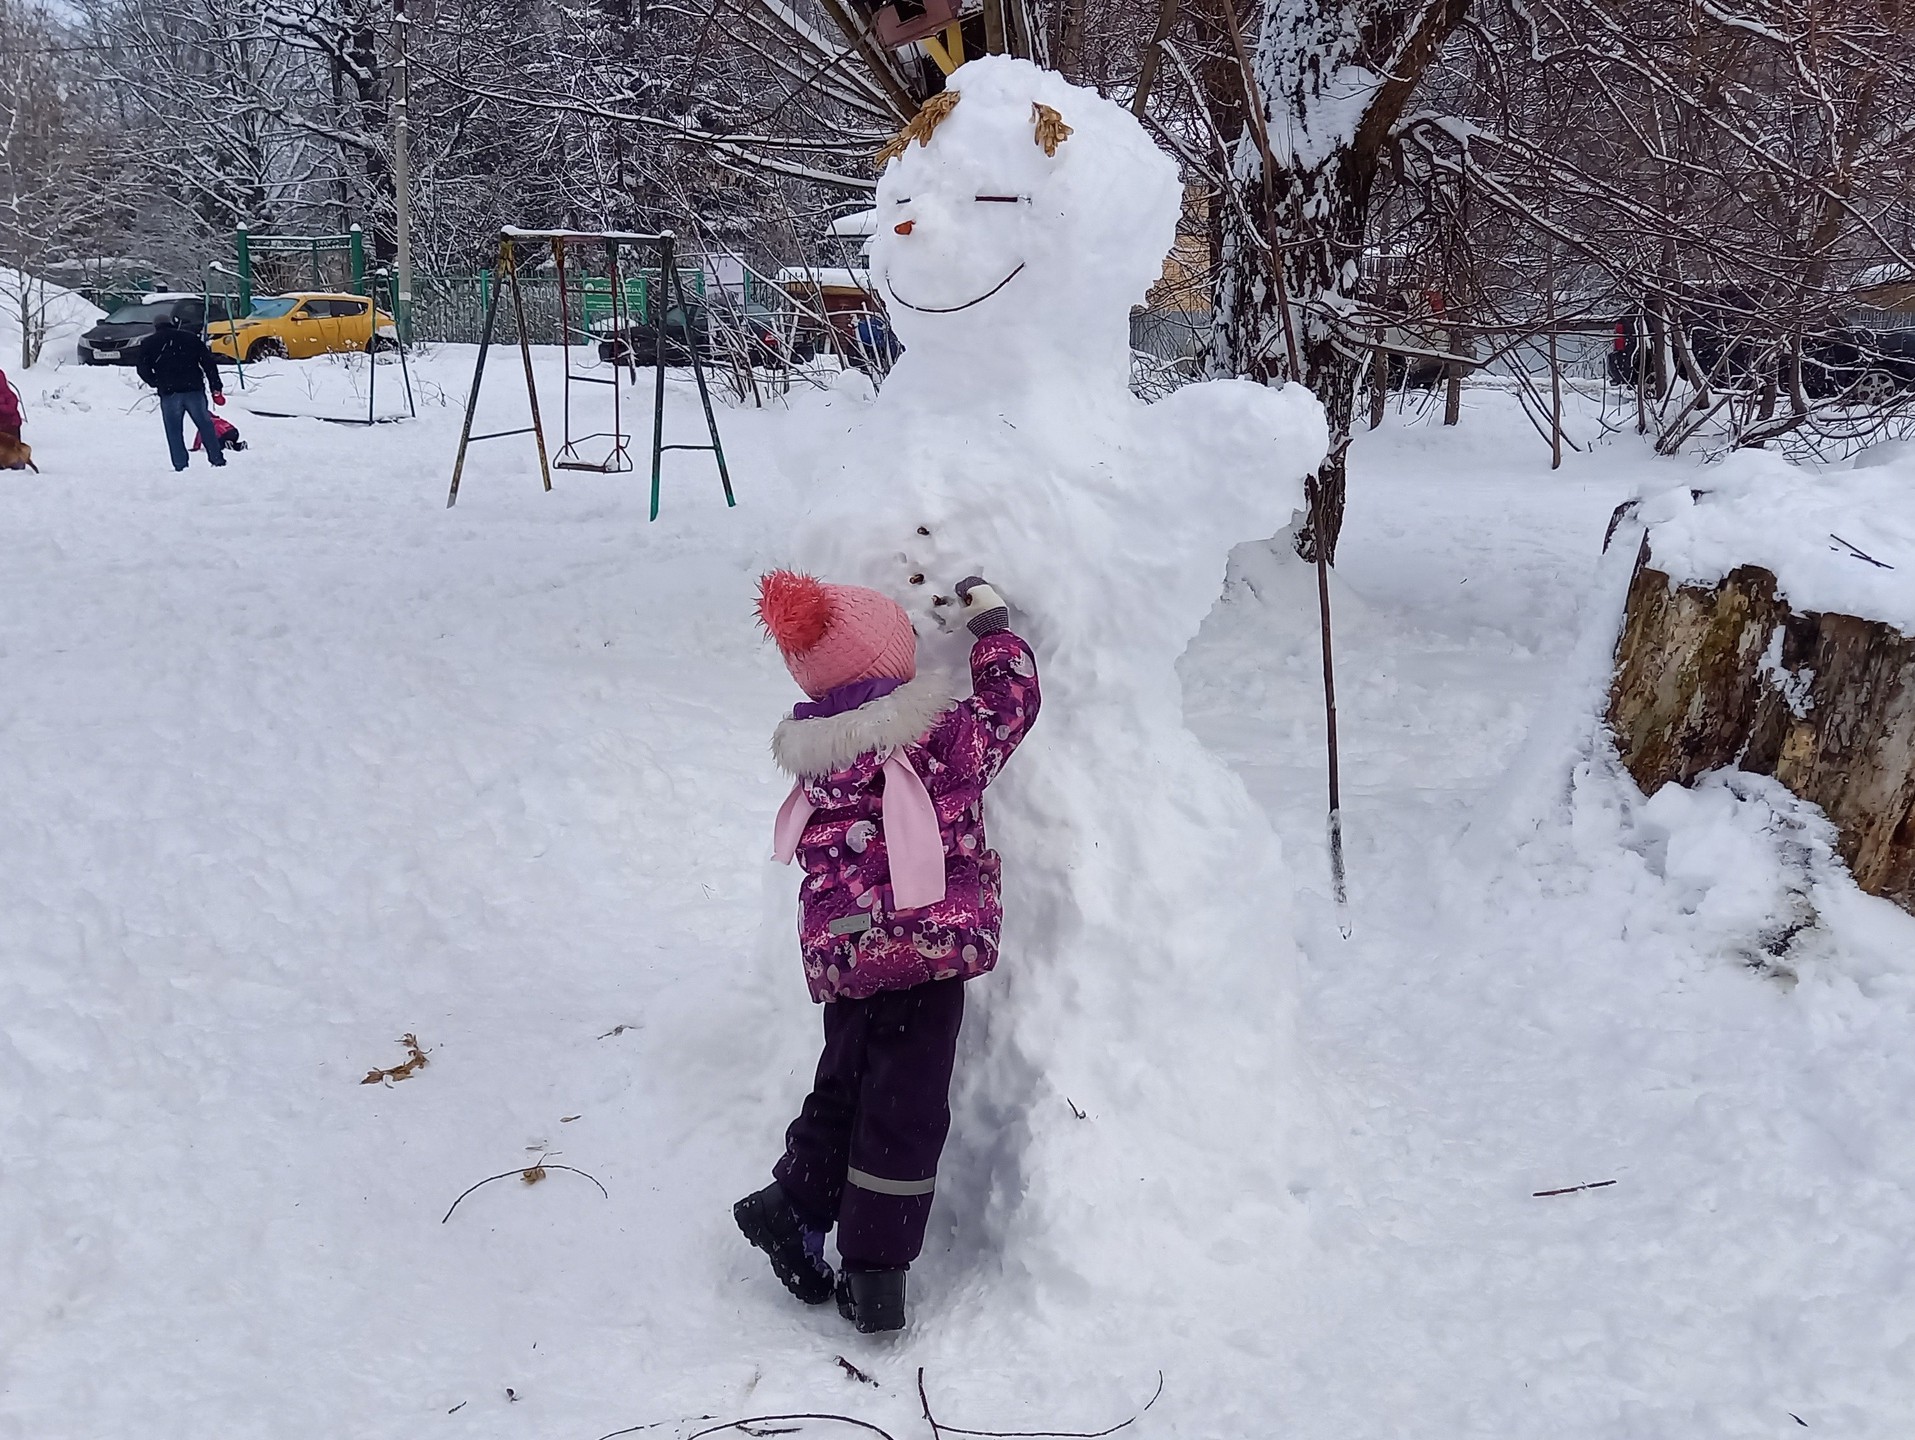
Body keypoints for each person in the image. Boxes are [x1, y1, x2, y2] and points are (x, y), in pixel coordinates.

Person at [734, 569, 1040, 1333]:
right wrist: (994, 632)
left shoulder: (817, 754)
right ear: (887, 663)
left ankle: (795, 1205)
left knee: (846, 1082)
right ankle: (875, 1268)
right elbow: (1010, 709)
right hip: (923, 948)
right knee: (903, 1108)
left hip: (845, 951)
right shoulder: (934, 737)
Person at [135, 314, 227, 471]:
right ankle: (216, 459)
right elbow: (208, 362)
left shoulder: (149, 343)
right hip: (194, 389)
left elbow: (142, 369)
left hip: (169, 392)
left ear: (156, 326)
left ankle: (180, 465)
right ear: (173, 323)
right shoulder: (190, 338)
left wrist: (156, 382)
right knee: (205, 425)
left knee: (174, 430)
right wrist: (215, 386)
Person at [0, 366, 30, 470]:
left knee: (13, 447)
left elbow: (11, 409)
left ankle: (18, 463)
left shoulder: (9, 395)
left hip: (11, 425)